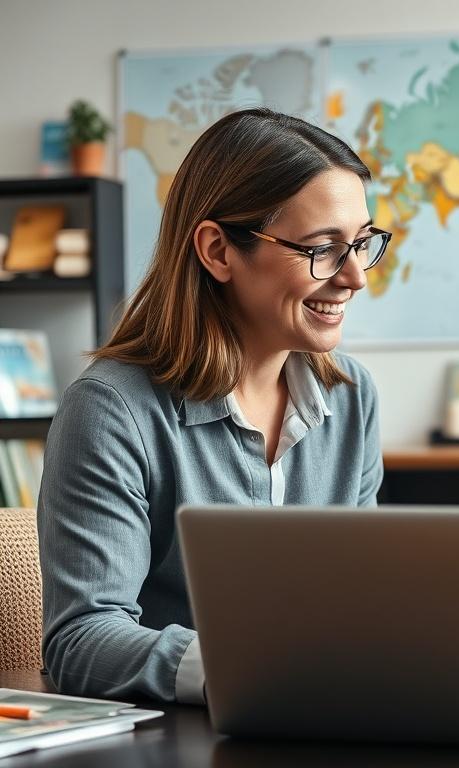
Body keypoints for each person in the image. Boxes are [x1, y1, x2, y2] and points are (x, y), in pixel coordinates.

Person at [38, 108, 390, 703]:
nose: (355, 277)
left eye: (361, 243)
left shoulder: (351, 397)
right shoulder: (111, 410)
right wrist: (267, 669)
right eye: (323, 249)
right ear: (218, 251)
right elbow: (81, 640)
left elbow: (368, 604)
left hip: (329, 721)